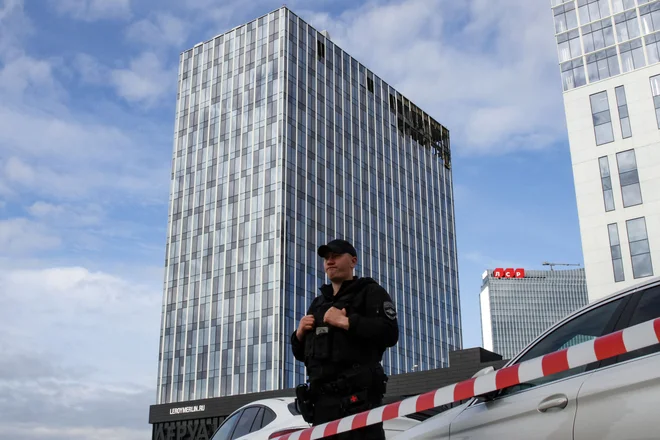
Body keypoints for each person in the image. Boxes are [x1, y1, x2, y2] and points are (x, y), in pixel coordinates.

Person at [291, 239, 399, 440]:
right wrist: (298, 335)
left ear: (353, 261)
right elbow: (304, 354)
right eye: (326, 258)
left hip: (359, 404)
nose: (329, 262)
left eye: (336, 256)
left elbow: (390, 333)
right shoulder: (318, 303)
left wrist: (347, 322)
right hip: (322, 407)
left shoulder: (370, 292)